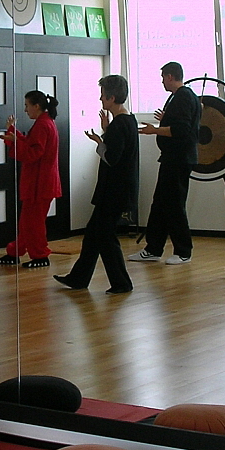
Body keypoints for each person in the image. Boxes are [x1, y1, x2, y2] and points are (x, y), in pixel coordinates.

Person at [54, 75, 139, 294]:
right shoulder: (127, 120)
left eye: (103, 96)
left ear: (112, 98)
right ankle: (78, 278)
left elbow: (112, 157)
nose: (100, 99)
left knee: (104, 235)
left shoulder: (120, 124)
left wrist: (100, 143)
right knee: (93, 233)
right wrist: (106, 132)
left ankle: (121, 283)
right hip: (116, 189)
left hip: (114, 190)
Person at [128, 61, 201, 265]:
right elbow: (178, 123)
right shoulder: (182, 97)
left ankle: (183, 251)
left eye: (163, 77)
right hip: (172, 158)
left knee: (175, 205)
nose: (162, 81)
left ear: (170, 76)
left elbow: (182, 130)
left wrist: (155, 130)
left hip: (179, 159)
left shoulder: (183, 97)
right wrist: (166, 119)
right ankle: (153, 248)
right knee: (160, 204)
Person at [0, 90, 61, 268]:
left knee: (33, 223)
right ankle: (15, 252)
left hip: (41, 183)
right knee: (27, 222)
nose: (25, 110)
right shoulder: (44, 122)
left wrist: (15, 140)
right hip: (40, 182)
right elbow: (32, 145)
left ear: (36, 106)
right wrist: (14, 135)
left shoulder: (43, 124)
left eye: (26, 106)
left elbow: (33, 153)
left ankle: (40, 256)